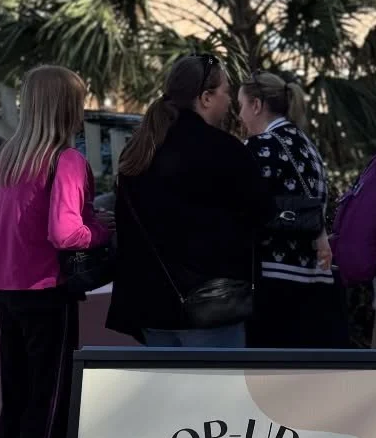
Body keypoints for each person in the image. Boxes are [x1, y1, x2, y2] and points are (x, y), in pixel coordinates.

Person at [0, 65, 111, 438]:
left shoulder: (11, 157)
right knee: (49, 406)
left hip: (7, 289)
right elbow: (64, 232)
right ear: (68, 106)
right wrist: (101, 230)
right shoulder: (67, 161)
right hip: (47, 291)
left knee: (16, 404)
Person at [108, 54, 272, 348]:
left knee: (170, 395)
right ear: (205, 98)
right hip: (211, 305)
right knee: (216, 393)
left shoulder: (139, 152)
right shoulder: (224, 150)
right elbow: (262, 213)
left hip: (151, 307)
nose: (229, 102)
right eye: (224, 92)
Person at [237, 71, 347, 349]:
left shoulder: (258, 147)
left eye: (241, 106)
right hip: (314, 282)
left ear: (257, 105)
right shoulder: (309, 147)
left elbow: (243, 211)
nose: (240, 116)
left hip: (272, 283)